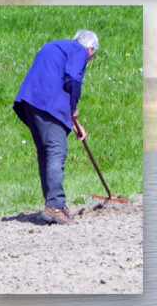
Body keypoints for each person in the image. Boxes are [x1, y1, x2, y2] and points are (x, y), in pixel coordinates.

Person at [12, 30, 99, 225]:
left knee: (45, 151)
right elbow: (73, 78)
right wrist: (73, 107)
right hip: (48, 104)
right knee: (56, 150)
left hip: (30, 102)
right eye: (91, 56)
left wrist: (74, 119)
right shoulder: (79, 50)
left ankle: (53, 203)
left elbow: (55, 77)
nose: (89, 59)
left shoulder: (55, 45)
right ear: (91, 49)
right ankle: (55, 206)